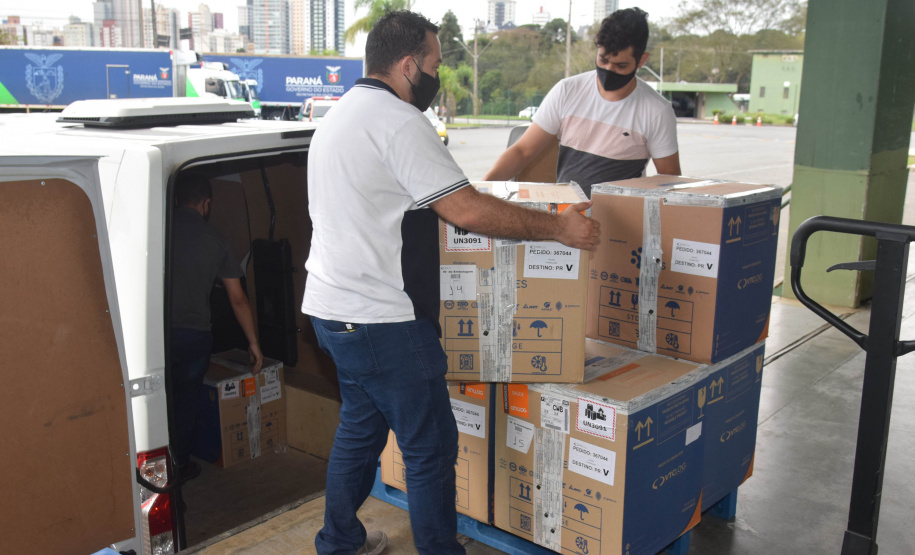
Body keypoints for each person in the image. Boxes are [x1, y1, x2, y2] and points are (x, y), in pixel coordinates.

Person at [301, 10, 599, 555]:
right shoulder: (397, 121)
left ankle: (339, 541)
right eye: (435, 64)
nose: (438, 77)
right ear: (409, 64)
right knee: (431, 450)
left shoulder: (340, 115)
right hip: (382, 320)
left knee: (359, 432)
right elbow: (467, 211)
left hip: (330, 311)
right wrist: (560, 227)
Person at [484, 7, 681, 198]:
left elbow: (669, 182)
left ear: (641, 60)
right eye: (603, 60)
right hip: (565, 218)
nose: (609, 70)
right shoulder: (567, 91)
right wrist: (480, 191)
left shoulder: (657, 111)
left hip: (621, 225)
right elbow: (522, 151)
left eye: (621, 65)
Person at [169, 171, 263, 482]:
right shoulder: (216, 239)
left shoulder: (155, 230)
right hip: (193, 336)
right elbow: (238, 300)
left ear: (178, 200)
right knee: (185, 402)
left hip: (153, 337)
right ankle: (179, 466)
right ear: (206, 204)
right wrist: (253, 344)